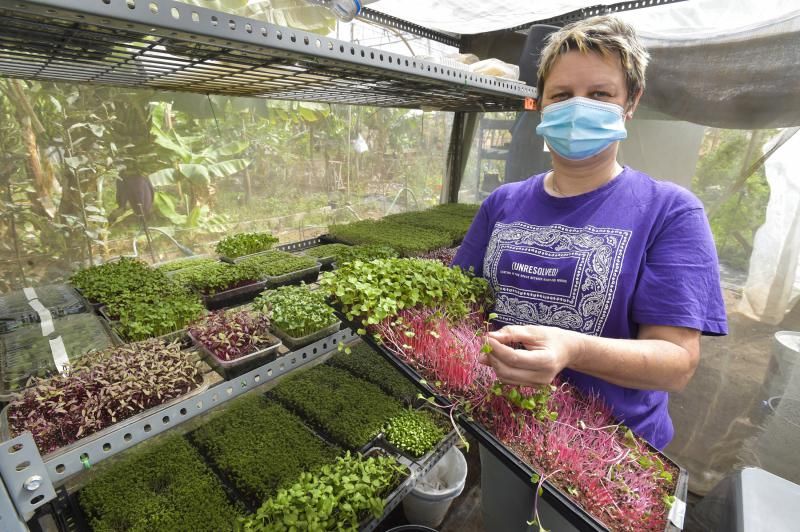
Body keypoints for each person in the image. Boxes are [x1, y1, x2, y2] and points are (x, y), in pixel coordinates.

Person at [452, 15, 728, 451]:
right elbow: (460, 300)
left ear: (630, 102)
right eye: (561, 95)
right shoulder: (502, 202)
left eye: (600, 94)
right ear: (540, 103)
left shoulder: (669, 212)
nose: (578, 108)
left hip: (610, 456)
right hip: (502, 426)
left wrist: (573, 349)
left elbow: (676, 363)